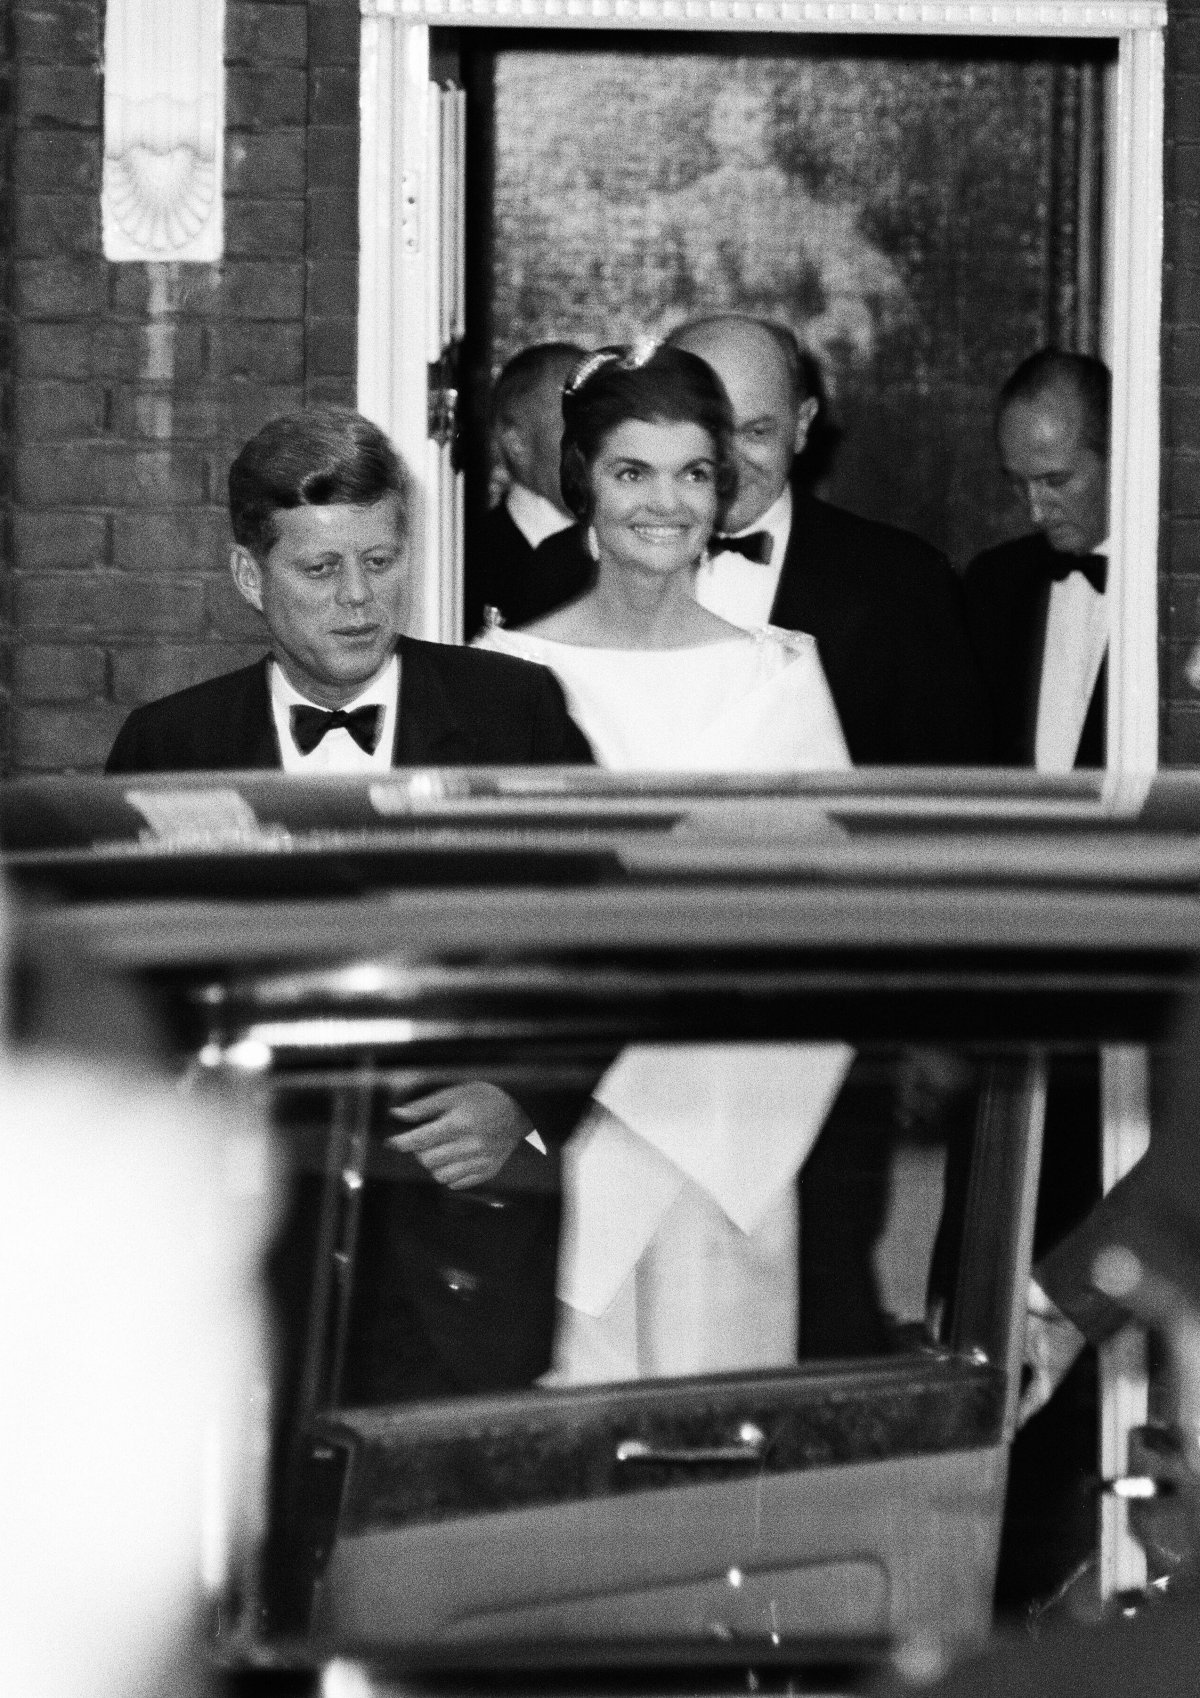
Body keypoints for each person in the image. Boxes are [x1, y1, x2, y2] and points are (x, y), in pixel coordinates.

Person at [106, 406, 595, 1407]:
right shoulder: (171, 749)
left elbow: (602, 945)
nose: (359, 600)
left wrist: (527, 1104)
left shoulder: (518, 716)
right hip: (245, 1261)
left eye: (379, 560)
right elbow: (126, 999)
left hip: (470, 1248)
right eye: (321, 570)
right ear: (252, 576)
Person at [478, 340, 855, 1380]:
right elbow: (489, 928)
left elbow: (823, 929)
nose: (666, 503)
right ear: (583, 482)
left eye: (694, 472)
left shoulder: (781, 678)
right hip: (562, 1144)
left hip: (727, 1140)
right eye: (631, 471)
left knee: (712, 1476)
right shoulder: (504, 675)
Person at [528, 318, 991, 766]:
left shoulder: (902, 581)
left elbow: (948, 804)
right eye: (707, 433)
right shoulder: (556, 570)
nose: (726, 461)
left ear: (803, 424)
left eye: (756, 432)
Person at [963, 348, 1110, 770]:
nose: (1035, 513)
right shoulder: (993, 585)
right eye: (1019, 483)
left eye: (1056, 481)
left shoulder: (1176, 584)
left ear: (1118, 454)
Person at [466, 340, 590, 635]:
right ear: (518, 443)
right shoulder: (464, 566)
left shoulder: (632, 551)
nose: (599, 446)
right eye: (577, 427)